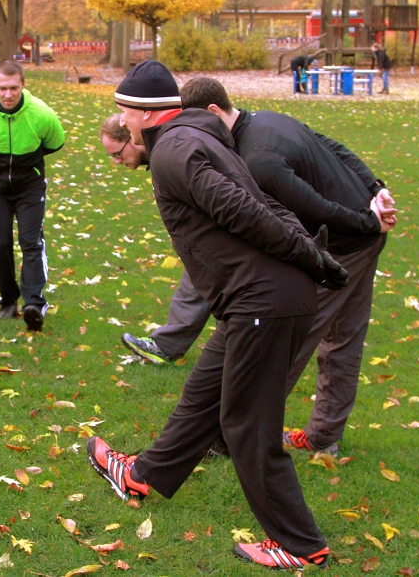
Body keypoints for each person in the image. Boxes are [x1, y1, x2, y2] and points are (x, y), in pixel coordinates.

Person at [86, 71, 350, 569]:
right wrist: (309, 255)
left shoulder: (173, 150)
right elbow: (264, 200)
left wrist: (311, 259)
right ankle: (142, 473)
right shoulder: (195, 139)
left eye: (124, 110)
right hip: (258, 300)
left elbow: (245, 210)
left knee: (246, 422)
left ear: (144, 112)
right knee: (205, 392)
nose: (121, 120)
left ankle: (298, 543)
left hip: (262, 301)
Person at [181, 76, 396, 457]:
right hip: (363, 233)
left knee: (289, 340)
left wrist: (370, 217)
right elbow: (333, 146)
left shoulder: (257, 157)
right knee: (343, 338)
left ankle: (238, 437)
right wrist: (374, 189)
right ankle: (324, 436)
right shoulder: (267, 119)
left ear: (214, 112)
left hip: (345, 245)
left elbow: (315, 207)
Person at [99, 68, 212, 365]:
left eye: (117, 153)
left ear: (134, 138)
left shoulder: (173, 151)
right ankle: (167, 344)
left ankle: (168, 345)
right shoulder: (166, 150)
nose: (116, 162)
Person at [0, 60, 65, 332]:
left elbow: (55, 143)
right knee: (1, 243)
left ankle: (34, 303)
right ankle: (8, 301)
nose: (8, 94)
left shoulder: (42, 114)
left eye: (14, 88)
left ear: (23, 85)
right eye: (3, 88)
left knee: (31, 241)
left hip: (29, 185)